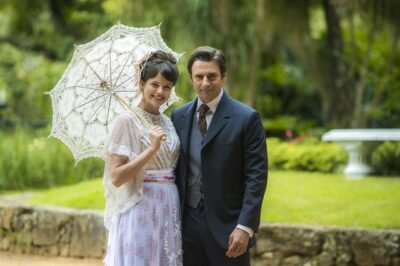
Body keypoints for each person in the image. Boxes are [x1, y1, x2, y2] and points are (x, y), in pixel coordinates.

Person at [171, 46, 268, 266]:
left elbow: (256, 176)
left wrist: (245, 226)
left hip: (229, 225)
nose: (205, 83)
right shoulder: (179, 116)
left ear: (223, 76)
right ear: (190, 79)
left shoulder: (247, 118)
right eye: (199, 77)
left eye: (212, 76)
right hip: (186, 224)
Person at [102, 51, 182, 266]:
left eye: (167, 86)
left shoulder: (167, 121)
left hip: (168, 204)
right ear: (141, 83)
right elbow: (116, 177)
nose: (160, 91)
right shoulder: (126, 121)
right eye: (154, 84)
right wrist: (150, 150)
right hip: (141, 206)